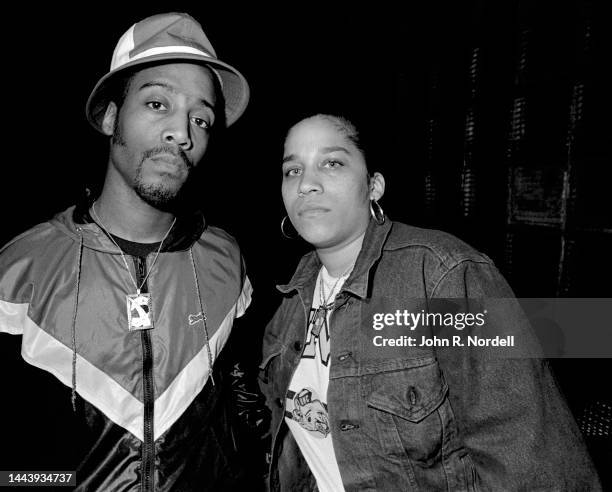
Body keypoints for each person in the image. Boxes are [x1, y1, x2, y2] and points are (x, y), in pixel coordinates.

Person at [259, 114, 601, 491]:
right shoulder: (292, 298)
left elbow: (534, 461)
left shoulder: (444, 273)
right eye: (292, 170)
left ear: (374, 185)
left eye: (332, 163)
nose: (306, 184)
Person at [0, 12, 265, 491]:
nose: (181, 132)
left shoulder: (228, 259)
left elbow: (246, 414)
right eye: (157, 103)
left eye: (200, 118)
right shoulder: (19, 270)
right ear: (109, 117)